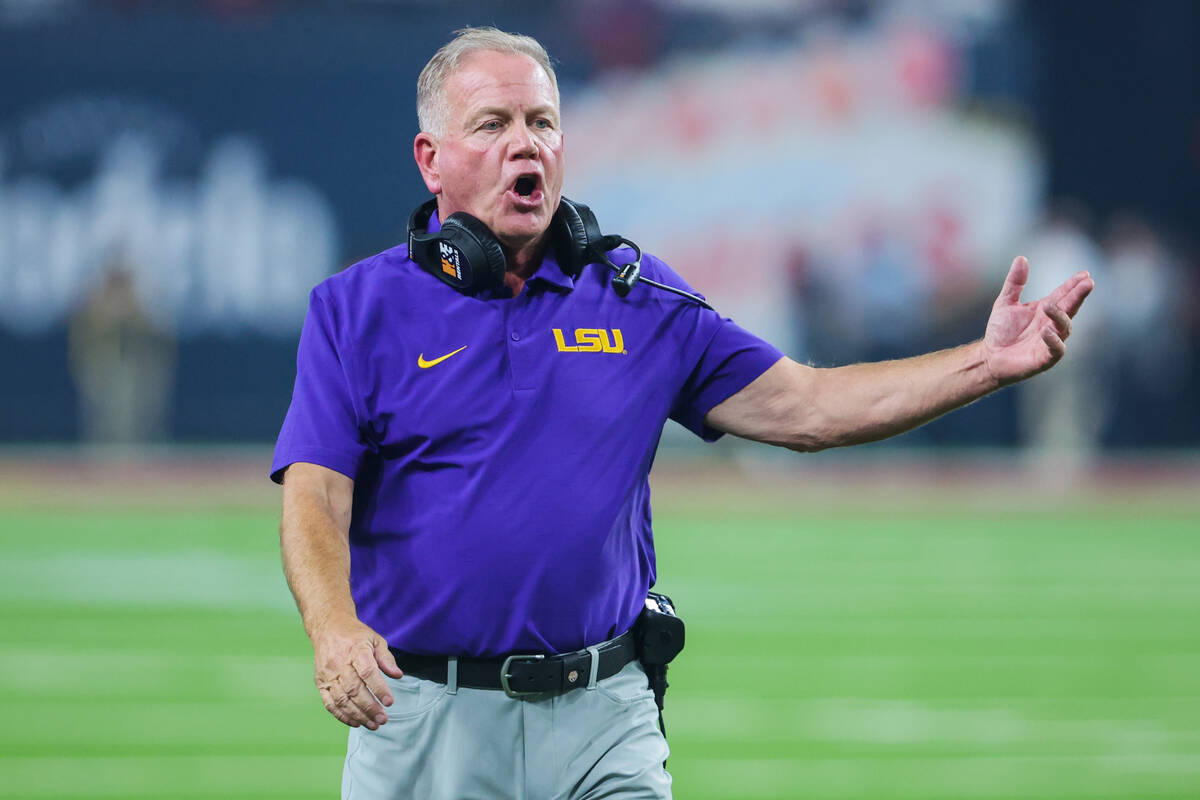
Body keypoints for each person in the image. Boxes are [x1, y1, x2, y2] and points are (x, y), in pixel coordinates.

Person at [271, 27, 1093, 800]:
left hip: (604, 717)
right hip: (425, 720)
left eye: (543, 122)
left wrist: (986, 363)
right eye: (492, 123)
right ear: (432, 160)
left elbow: (805, 407)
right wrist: (333, 626)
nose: (526, 143)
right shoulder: (356, 309)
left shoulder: (639, 295)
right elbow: (314, 494)